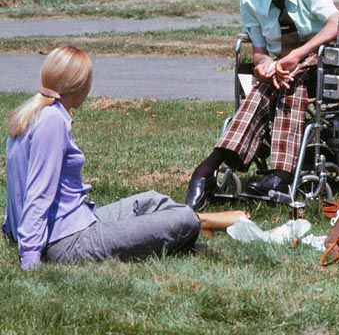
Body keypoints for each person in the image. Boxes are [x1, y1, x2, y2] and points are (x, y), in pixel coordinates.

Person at [3, 46, 247, 270]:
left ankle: (194, 226)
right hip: (64, 241)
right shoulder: (52, 122)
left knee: (152, 200)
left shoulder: (32, 113)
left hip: (78, 220)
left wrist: (11, 229)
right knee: (181, 219)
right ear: (80, 85)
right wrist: (30, 257)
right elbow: (38, 193)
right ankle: (201, 223)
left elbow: (17, 191)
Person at [185, 0, 339, 209]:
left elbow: (338, 25)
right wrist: (264, 67)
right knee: (275, 80)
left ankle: (207, 170)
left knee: (290, 76)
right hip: (282, 67)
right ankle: (279, 175)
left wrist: (296, 56)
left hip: (324, 57)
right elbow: (260, 51)